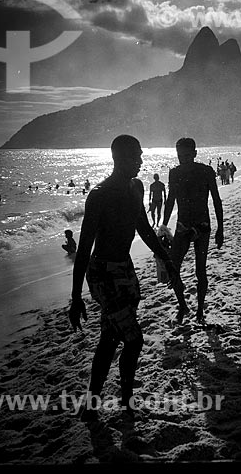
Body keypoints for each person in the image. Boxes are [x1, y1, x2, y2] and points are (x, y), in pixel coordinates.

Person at [69, 134, 180, 421]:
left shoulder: (136, 188)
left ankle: (91, 406)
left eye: (141, 155)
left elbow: (142, 227)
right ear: (119, 158)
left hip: (125, 267)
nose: (141, 161)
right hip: (103, 272)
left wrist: (163, 256)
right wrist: (75, 296)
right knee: (133, 340)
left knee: (110, 337)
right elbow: (84, 249)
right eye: (136, 157)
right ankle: (127, 402)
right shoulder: (99, 195)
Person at [162, 137, 224, 324]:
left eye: (187, 155)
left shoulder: (206, 171)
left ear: (195, 154)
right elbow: (170, 201)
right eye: (180, 156)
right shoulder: (174, 173)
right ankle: (183, 305)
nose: (184, 159)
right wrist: (163, 228)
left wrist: (221, 228)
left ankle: (199, 311)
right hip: (181, 226)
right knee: (173, 269)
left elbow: (216, 200)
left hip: (202, 226)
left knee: (200, 271)